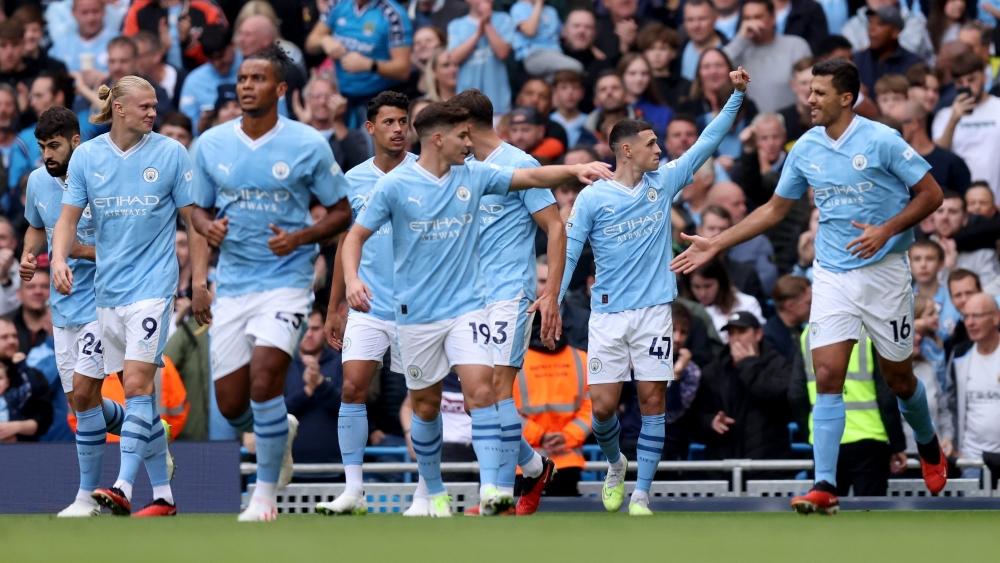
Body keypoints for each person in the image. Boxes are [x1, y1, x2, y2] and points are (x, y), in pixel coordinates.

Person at [672, 58, 948, 514]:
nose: (809, 99)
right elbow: (775, 210)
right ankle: (824, 484)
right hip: (833, 273)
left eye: (819, 92)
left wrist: (886, 229)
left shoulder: (881, 139)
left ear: (846, 97)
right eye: (808, 91)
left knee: (899, 380)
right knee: (827, 376)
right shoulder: (805, 149)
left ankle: (928, 442)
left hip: (885, 272)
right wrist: (716, 243)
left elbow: (932, 194)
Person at [341, 101, 612, 517]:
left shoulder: (479, 172)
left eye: (468, 135)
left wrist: (574, 170)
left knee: (486, 392)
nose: (467, 144)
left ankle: (496, 492)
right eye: (460, 137)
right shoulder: (396, 185)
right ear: (440, 138)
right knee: (430, 404)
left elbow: (532, 178)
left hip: (491, 300)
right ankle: (487, 478)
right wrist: (352, 282)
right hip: (416, 312)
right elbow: (353, 236)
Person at [559, 67, 749, 515]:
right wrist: (551, 297)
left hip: (653, 313)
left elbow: (707, 142)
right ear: (627, 149)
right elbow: (569, 251)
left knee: (651, 400)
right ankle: (615, 464)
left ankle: (642, 493)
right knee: (602, 410)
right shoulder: (593, 198)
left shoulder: (662, 183)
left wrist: (736, 95)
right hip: (606, 316)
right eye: (651, 144)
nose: (660, 150)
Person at [190, 46, 351, 523]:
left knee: (265, 378)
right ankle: (279, 429)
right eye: (242, 78)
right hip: (234, 283)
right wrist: (206, 226)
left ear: (281, 89)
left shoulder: (306, 144)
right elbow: (197, 207)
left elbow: (343, 212)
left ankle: (263, 497)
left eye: (257, 78)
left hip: (287, 281)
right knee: (232, 403)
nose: (246, 86)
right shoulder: (211, 144)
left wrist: (300, 237)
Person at [50, 75, 211, 518]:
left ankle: (120, 486)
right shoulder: (88, 157)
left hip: (152, 289)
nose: (152, 113)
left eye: (155, 106)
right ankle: (163, 495)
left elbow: (193, 223)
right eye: (145, 106)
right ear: (119, 109)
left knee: (138, 385)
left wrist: (198, 283)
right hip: (107, 293)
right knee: (103, 393)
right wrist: (59, 259)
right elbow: (67, 219)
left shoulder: (171, 154)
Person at [452, 89, 566, 516]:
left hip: (509, 293)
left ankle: (495, 496)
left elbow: (555, 227)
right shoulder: (459, 169)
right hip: (466, 297)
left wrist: (550, 292)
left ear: (465, 125)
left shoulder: (519, 164)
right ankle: (534, 468)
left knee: (499, 391)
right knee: (476, 399)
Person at [20, 106, 135, 517]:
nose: (47, 155)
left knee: (86, 395)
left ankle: (85, 498)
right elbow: (37, 225)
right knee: (82, 406)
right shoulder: (38, 182)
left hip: (102, 304)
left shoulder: (102, 182)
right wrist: (29, 255)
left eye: (54, 146)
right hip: (63, 307)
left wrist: (69, 251)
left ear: (75, 142)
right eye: (41, 148)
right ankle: (149, 433)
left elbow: (123, 249)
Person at [316, 91, 413, 516]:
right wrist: (335, 306)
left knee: (423, 399)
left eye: (403, 122)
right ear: (371, 128)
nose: (398, 130)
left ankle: (428, 491)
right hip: (367, 304)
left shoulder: (428, 173)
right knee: (352, 387)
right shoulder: (352, 180)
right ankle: (353, 489)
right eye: (389, 122)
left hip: (420, 307)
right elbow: (343, 246)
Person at [690, 311, 794, 462]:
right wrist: (710, 422)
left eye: (742, 331)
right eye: (731, 333)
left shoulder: (777, 365)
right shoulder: (713, 371)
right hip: (722, 465)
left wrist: (748, 365)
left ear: (758, 334)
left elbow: (782, 396)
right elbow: (694, 416)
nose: (736, 338)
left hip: (768, 464)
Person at [513, 312, 591, 497]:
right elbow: (593, 409)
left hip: (524, 460)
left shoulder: (513, 364)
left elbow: (505, 410)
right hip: (567, 459)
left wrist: (540, 437)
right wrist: (567, 436)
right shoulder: (581, 360)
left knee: (522, 519)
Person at [305, 0, 413, 128]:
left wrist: (369, 65)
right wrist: (324, 40)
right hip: (341, 94)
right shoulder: (337, 4)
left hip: (377, 97)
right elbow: (310, 43)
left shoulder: (393, 14)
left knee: (367, 144)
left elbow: (403, 70)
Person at [722, 0, 812, 113]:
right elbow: (716, 67)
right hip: (751, 123)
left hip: (790, 122)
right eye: (747, 18)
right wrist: (740, 39)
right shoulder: (738, 50)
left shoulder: (796, 45)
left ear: (773, 18)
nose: (752, 23)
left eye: (758, 17)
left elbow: (810, 85)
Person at [932, 51, 1000, 199]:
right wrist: (953, 120)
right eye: (960, 83)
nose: (967, 86)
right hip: (960, 199)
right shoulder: (944, 115)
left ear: (984, 76)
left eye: (971, 80)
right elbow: (939, 156)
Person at [284, 308, 344, 464]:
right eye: (305, 328)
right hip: (291, 467)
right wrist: (308, 391)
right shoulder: (282, 363)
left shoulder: (340, 362)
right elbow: (277, 411)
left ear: (325, 330)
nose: (309, 334)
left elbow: (349, 409)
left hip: (335, 467)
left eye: (315, 328)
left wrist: (320, 383)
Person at [950, 293, 1000, 475]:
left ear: (996, 317)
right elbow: (949, 404)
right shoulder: (959, 356)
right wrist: (951, 440)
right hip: (971, 461)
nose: (969, 323)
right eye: (966, 316)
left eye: (977, 316)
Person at [885, 100, 970, 194]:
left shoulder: (951, 162)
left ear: (914, 123)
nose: (891, 130)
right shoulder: (892, 162)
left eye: (896, 124)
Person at [448, 0, 514, 116]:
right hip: (466, 103)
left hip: (497, 101)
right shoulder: (456, 25)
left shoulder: (504, 19)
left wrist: (487, 23)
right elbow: (454, 58)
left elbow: (503, 53)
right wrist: (478, 34)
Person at [0, 317, 53, 442]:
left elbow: (45, 416)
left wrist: (17, 427)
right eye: (4, 337)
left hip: (24, 450)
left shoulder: (31, 374)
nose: (12, 341)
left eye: (14, 336)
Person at [852, 5, 924, 95]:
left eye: (880, 24)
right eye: (870, 22)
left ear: (895, 32)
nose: (872, 28)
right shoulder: (856, 60)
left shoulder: (913, 64)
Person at [510, 0, 583, 77]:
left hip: (556, 55)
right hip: (534, 55)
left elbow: (565, 34)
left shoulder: (551, 11)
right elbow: (530, 31)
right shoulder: (519, 8)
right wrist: (538, 4)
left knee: (557, 80)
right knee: (576, 67)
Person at [764, 275, 812, 361]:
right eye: (809, 303)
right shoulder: (769, 339)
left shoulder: (799, 329)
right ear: (790, 305)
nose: (813, 307)